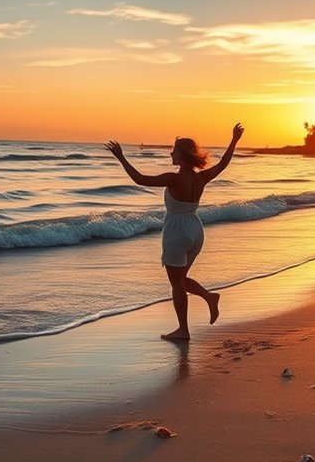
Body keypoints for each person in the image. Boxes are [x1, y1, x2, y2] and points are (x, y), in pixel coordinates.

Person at [104, 123, 244, 340]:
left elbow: (140, 179)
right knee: (180, 279)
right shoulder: (201, 177)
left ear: (182, 156)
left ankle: (183, 330)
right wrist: (234, 140)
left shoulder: (174, 178)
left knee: (176, 283)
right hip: (196, 229)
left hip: (177, 230)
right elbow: (224, 163)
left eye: (174, 150)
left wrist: (121, 157)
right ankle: (209, 297)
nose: (171, 153)